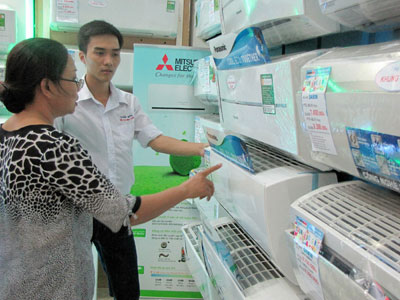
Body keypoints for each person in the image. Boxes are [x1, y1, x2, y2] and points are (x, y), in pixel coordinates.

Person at [0, 37, 220, 300]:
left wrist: (200, 148)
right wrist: (186, 189)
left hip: (15, 278)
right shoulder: (53, 146)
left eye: (115, 53)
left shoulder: (7, 134)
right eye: (72, 80)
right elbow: (123, 213)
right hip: (52, 285)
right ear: (47, 86)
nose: (76, 88)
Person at [54, 20, 208, 300]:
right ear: (82, 56)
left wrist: (201, 148)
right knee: (72, 286)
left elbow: (155, 139)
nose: (108, 61)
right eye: (99, 53)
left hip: (118, 209)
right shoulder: (68, 103)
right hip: (76, 211)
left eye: (115, 53)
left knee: (127, 290)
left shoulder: (128, 102)